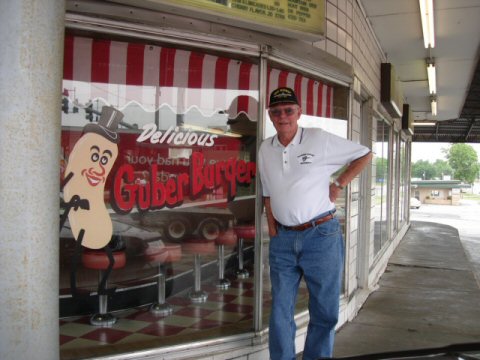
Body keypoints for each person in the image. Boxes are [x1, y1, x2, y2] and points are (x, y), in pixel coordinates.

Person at [258, 87, 372, 360]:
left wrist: (339, 183)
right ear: (270, 115)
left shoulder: (318, 139)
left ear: (299, 112)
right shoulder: (265, 148)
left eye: (288, 110)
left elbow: (364, 153)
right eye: (276, 111)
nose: (282, 116)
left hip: (321, 235)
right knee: (280, 311)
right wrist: (273, 229)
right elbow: (267, 192)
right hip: (283, 240)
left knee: (324, 310)